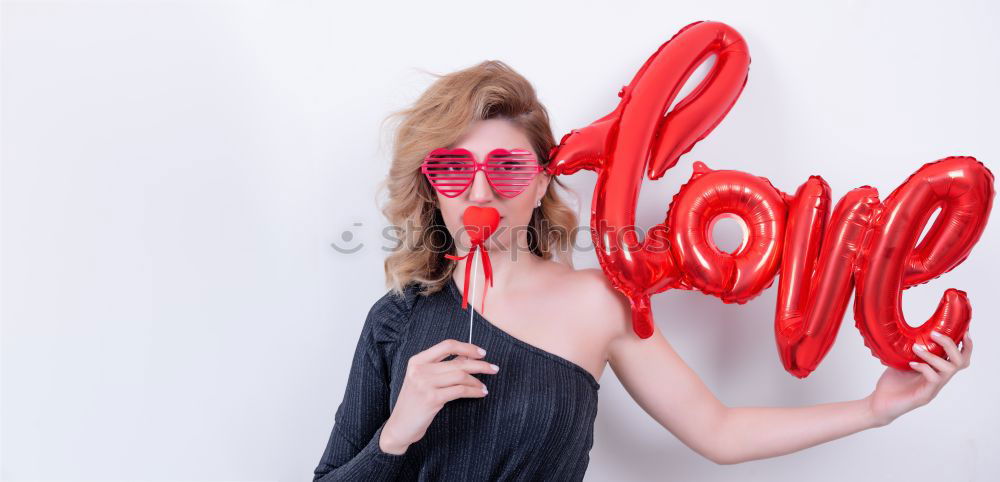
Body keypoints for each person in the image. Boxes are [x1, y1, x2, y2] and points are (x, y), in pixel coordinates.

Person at [312, 60, 973, 481]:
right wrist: (399, 430)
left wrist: (874, 410)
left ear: (541, 184)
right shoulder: (396, 319)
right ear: (433, 186)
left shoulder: (601, 302)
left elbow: (717, 431)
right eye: (456, 170)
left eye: (508, 169)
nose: (481, 193)